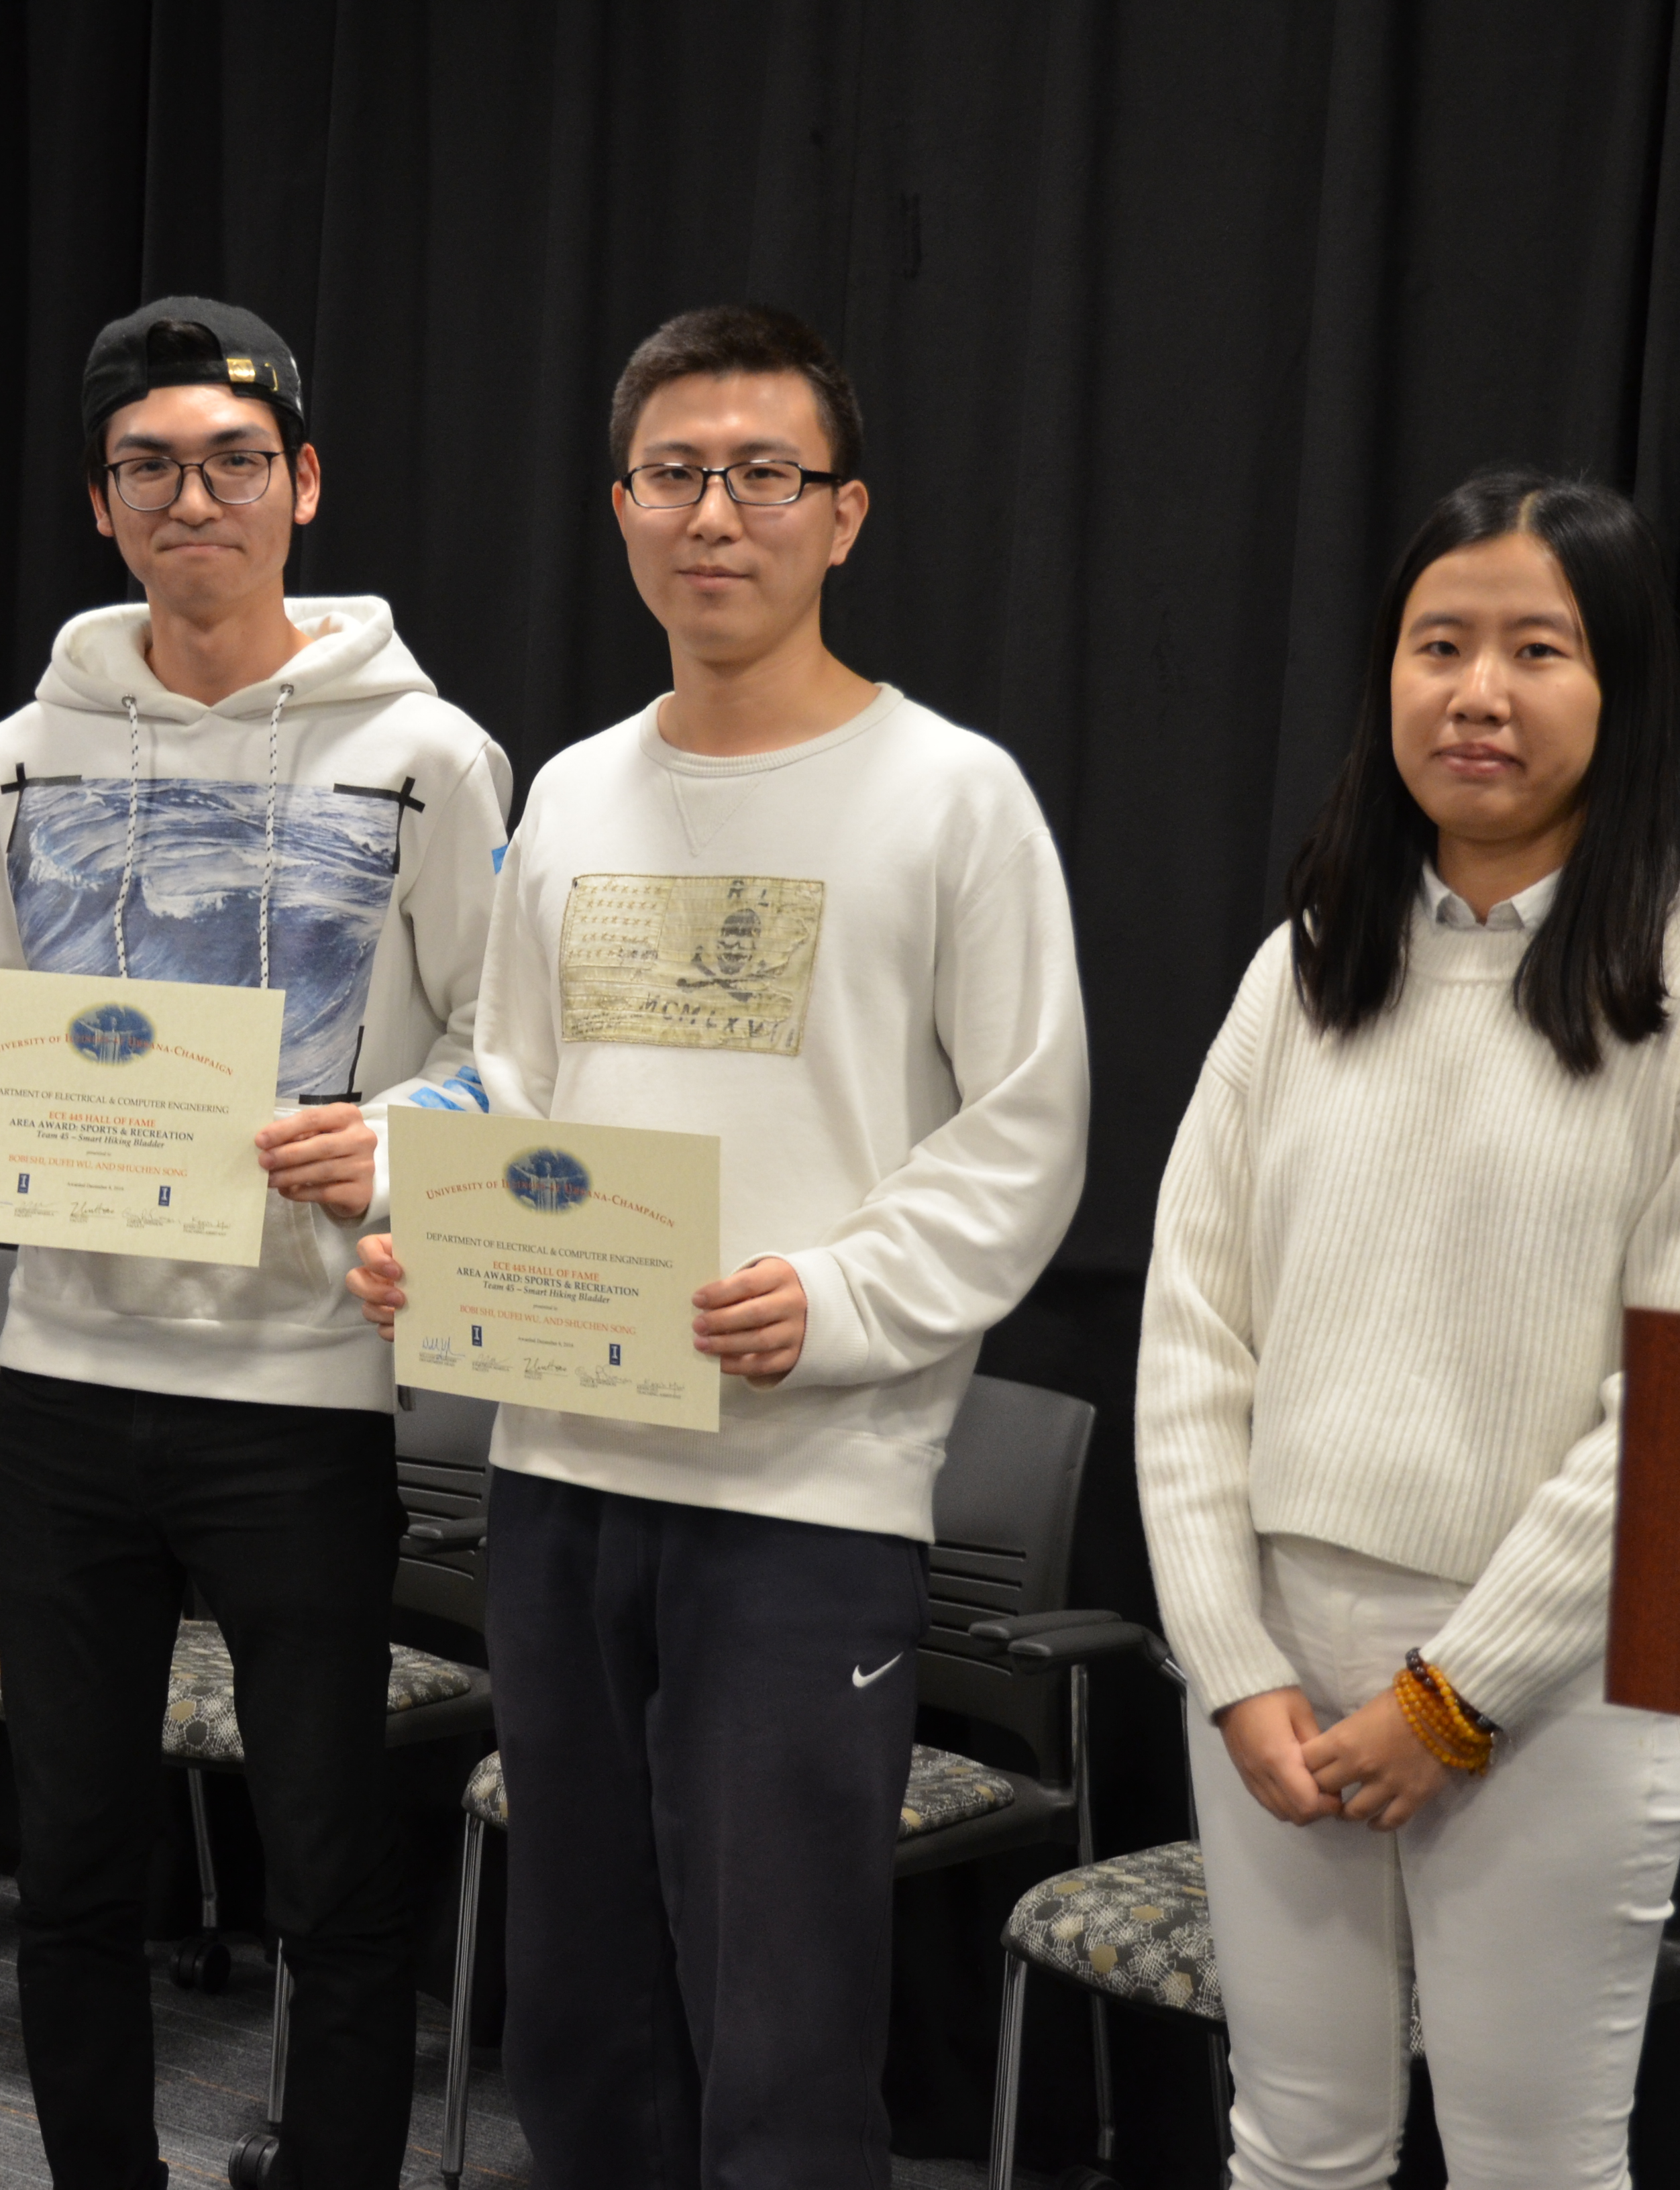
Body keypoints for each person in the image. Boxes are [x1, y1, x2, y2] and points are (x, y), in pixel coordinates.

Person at [348, 303, 1094, 2187]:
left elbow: (1024, 1137)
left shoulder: (955, 795)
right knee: (580, 2009)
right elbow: (513, 1077)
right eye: (676, 473)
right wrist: (418, 1217)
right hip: (559, 1472)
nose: (717, 513)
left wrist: (834, 1302)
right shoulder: (580, 789)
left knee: (782, 2033)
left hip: (807, 1499)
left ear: (845, 516)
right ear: (619, 507)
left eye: (766, 474)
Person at [1134, 469, 1680, 2186]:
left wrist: (1453, 1703)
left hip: (1555, 1692)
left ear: (1624, 688)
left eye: (1539, 648)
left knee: (1535, 2164)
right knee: (1293, 2149)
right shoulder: (1301, 970)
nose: (1478, 692)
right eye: (1439, 643)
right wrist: (1234, 1672)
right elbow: (1187, 1345)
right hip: (1277, 1682)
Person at [0, 296, 511, 2190]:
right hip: (66, 1379)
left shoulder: (433, 755)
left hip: (304, 1392)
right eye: (150, 467)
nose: (196, 499)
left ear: (303, 484)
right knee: (73, 1869)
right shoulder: (21, 752)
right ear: (102, 503)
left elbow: (505, 1055)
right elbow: (20, 1017)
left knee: (332, 1865)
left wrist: (388, 1141)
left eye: (236, 462)